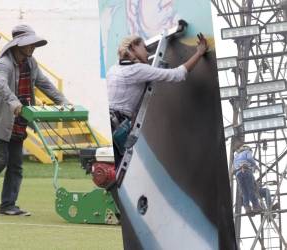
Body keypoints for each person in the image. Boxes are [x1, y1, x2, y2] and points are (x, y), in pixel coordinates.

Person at [0, 24, 70, 216]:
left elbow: (45, 84)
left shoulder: (31, 63)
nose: (32, 47)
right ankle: (7, 204)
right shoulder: (3, 64)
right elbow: (1, 86)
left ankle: (8, 205)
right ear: (17, 45)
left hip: (18, 120)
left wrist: (64, 102)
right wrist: (14, 102)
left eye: (34, 44)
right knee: (0, 159)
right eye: (28, 44)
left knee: (16, 164)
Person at [106, 33, 208, 167]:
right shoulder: (138, 69)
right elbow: (177, 75)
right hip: (116, 124)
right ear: (133, 47)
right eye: (144, 47)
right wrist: (199, 53)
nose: (148, 53)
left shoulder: (113, 69)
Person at [233, 144, 263, 214]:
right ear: (247, 148)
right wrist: (255, 165)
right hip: (246, 171)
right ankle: (256, 207)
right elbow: (249, 158)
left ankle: (247, 208)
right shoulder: (247, 151)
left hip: (238, 173)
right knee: (250, 190)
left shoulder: (236, 155)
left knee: (244, 192)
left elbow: (234, 166)